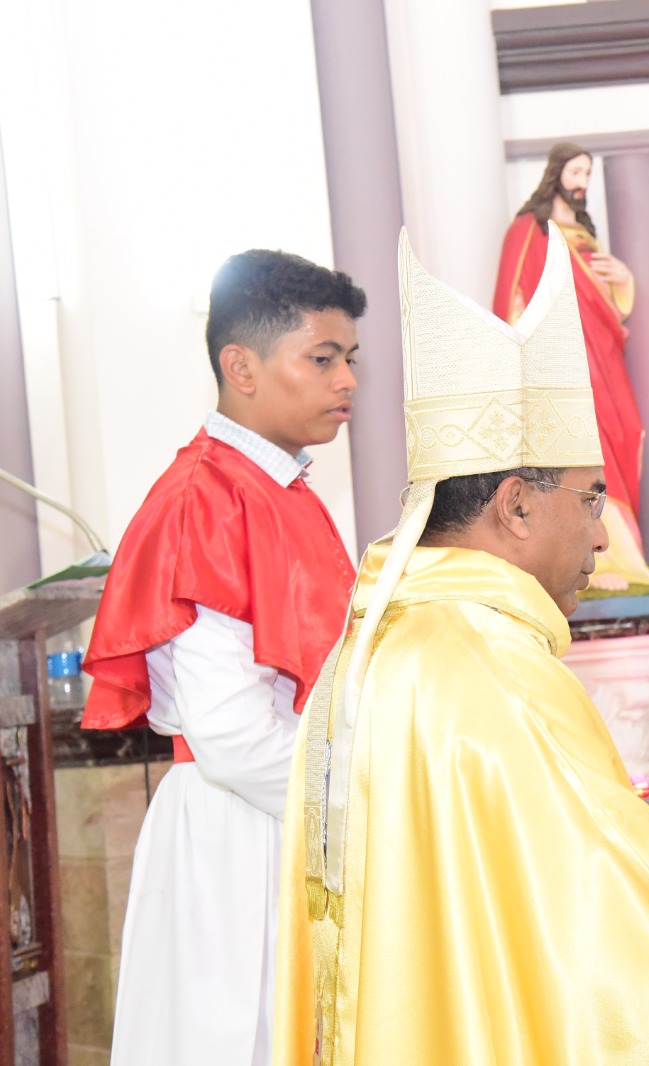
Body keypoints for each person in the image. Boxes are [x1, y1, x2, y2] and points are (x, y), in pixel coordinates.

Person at [274, 229, 649, 1065]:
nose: (603, 536)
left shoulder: (386, 646)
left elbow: (499, 897)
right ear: (516, 505)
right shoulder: (498, 667)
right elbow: (602, 967)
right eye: (590, 502)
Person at [81, 250, 365, 1066]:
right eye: (322, 358)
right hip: (241, 832)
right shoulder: (205, 501)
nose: (347, 380)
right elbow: (233, 738)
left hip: (284, 813)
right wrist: (369, 806)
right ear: (241, 367)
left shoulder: (276, 489)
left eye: (350, 358)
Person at [492, 141, 649, 590]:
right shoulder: (528, 230)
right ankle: (596, 557)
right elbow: (513, 299)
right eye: (575, 172)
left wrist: (623, 280)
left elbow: (610, 306)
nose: (581, 182)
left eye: (587, 173)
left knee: (624, 432)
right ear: (556, 173)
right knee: (581, 446)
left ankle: (624, 555)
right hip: (562, 360)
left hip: (602, 357)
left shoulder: (584, 234)